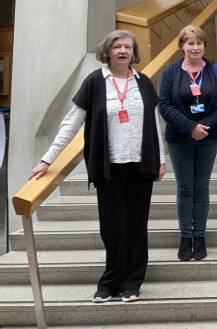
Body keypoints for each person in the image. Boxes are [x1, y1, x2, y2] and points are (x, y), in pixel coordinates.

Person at [30, 30, 165, 303]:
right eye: (117, 47)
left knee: (137, 224)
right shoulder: (94, 82)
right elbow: (72, 123)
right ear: (108, 51)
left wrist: (161, 160)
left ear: (133, 52)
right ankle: (110, 281)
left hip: (141, 165)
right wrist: (48, 159)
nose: (123, 51)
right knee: (113, 227)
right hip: (109, 166)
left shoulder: (144, 82)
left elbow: (155, 125)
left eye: (127, 47)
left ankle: (132, 282)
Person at [159, 25, 217, 261]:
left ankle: (199, 237)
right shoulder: (171, 73)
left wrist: (205, 127)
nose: (195, 47)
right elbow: (164, 105)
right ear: (182, 46)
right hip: (179, 139)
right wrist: (190, 127)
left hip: (208, 138)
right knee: (184, 188)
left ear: (204, 46)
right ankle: (185, 238)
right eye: (190, 43)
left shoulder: (215, 70)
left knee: (201, 188)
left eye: (199, 43)